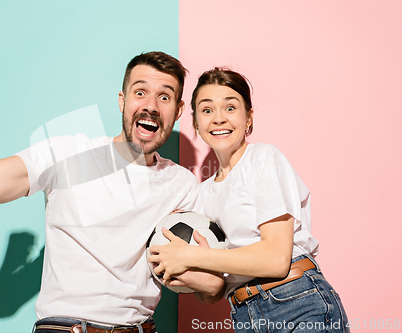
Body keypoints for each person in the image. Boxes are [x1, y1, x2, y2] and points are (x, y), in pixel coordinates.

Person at [0, 44, 224, 332]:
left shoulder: (182, 185)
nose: (150, 106)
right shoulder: (66, 154)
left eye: (165, 97)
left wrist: (201, 274)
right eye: (140, 92)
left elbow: (210, 289)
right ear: (122, 100)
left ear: (179, 109)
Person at [149, 68, 350, 332]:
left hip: (297, 302)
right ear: (196, 122)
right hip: (245, 316)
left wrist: (191, 255)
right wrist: (183, 268)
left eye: (230, 108)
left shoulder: (263, 158)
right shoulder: (203, 195)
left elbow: (275, 259)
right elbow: (212, 294)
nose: (218, 119)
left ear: (248, 117)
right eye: (207, 110)